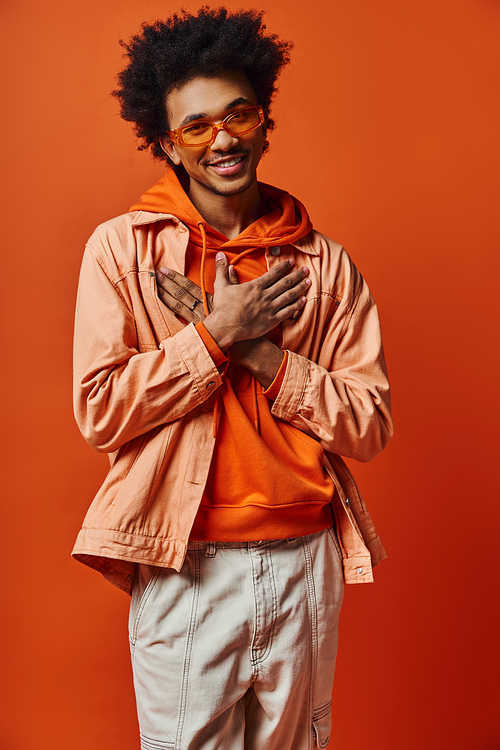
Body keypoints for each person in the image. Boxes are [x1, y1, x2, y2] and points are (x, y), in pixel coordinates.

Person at [72, 7, 393, 750]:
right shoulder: (122, 252)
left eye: (238, 114)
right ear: (167, 143)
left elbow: (370, 424)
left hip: (306, 562)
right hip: (186, 564)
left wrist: (262, 357)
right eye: (196, 126)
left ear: (263, 121)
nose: (222, 139)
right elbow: (99, 411)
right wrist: (213, 336)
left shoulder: (326, 265)